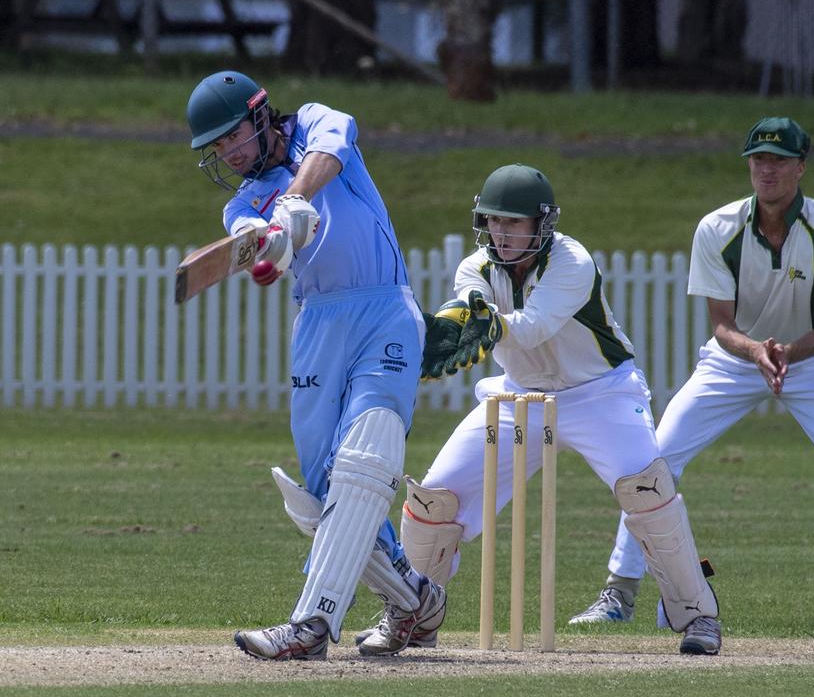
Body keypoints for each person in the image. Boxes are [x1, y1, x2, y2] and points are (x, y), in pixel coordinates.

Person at [570, 117, 814, 634]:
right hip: (734, 361)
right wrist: (758, 352)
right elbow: (721, 325)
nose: (767, 169)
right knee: (654, 460)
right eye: (759, 159)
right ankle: (619, 591)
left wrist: (787, 352)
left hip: (811, 362)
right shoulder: (716, 228)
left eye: (779, 160)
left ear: (801, 167)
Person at [361, 163, 723, 655]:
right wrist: (454, 321)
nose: (501, 233)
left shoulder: (572, 261)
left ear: (542, 223)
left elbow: (530, 328)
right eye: (493, 221)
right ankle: (414, 613)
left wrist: (483, 325)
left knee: (647, 489)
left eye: (513, 222)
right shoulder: (475, 267)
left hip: (601, 393)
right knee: (433, 501)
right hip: (518, 397)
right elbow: (471, 305)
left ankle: (698, 615)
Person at [185, 70, 446, 660]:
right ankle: (414, 600)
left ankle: (311, 626)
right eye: (217, 149)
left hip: (382, 307)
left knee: (366, 456)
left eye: (231, 138)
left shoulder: (312, 123)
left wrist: (296, 197)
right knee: (324, 489)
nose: (227, 153)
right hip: (317, 325)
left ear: (259, 116)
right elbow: (255, 242)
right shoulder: (242, 200)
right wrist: (269, 238)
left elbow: (333, 148)